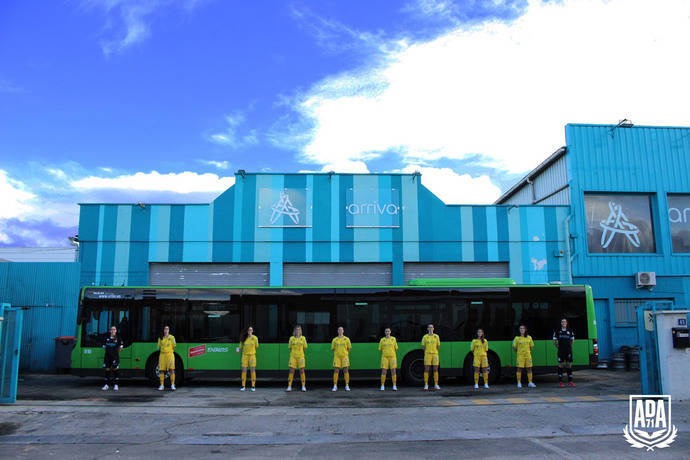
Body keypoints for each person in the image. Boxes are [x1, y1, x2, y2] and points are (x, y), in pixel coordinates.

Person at [553, 318, 575, 387]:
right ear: (561, 323)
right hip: (561, 351)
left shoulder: (570, 331)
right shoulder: (557, 331)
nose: (563, 323)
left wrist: (569, 346)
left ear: (566, 323)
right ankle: (560, 382)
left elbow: (572, 340)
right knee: (561, 365)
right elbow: (554, 341)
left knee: (569, 365)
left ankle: (570, 381)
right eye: (562, 322)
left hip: (568, 351)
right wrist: (558, 347)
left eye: (565, 322)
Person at [102, 326, 123, 391]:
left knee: (115, 369)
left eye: (114, 329)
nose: (113, 331)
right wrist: (109, 352)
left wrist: (115, 353)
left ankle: (116, 385)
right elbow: (104, 347)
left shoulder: (118, 338)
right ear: (110, 331)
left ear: (116, 331)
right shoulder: (106, 338)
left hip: (115, 357)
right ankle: (106, 385)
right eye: (112, 329)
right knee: (107, 369)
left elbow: (121, 348)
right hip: (107, 357)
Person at [287, 325, 307, 392]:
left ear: (300, 331)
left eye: (299, 329)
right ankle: (289, 386)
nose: (297, 331)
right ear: (294, 331)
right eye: (296, 329)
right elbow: (290, 347)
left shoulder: (303, 338)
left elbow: (304, 347)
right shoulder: (291, 338)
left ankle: (303, 386)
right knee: (291, 370)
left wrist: (300, 353)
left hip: (301, 357)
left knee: (302, 370)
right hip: (293, 357)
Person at [331, 326, 352, 392]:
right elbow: (333, 349)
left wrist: (345, 354)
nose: (340, 331)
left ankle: (347, 385)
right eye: (339, 330)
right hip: (337, 357)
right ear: (337, 331)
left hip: (344, 357)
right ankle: (335, 385)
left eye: (341, 330)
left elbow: (349, 348)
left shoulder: (347, 339)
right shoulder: (334, 339)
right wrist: (338, 353)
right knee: (336, 370)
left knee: (345, 370)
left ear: (343, 331)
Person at [421, 324, 441, 391]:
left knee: (435, 369)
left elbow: (438, 346)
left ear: (433, 328)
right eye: (429, 327)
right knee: (427, 369)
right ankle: (426, 384)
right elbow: (423, 346)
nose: (430, 328)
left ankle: (436, 384)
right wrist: (427, 351)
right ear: (427, 329)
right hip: (427, 355)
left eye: (431, 327)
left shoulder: (436, 336)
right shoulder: (425, 337)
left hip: (435, 354)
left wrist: (434, 351)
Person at [238, 326, 259, 391]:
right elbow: (240, 347)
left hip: (252, 356)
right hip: (245, 356)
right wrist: (238, 350)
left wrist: (251, 351)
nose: (250, 331)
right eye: (249, 330)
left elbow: (256, 346)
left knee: (252, 370)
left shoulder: (255, 338)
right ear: (247, 331)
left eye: (251, 330)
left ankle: (253, 386)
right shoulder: (243, 338)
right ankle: (243, 386)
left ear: (252, 331)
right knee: (244, 370)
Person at [157, 325, 176, 391]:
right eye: (165, 329)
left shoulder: (172, 337)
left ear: (169, 330)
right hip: (162, 355)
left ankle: (172, 385)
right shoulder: (160, 338)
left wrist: (169, 350)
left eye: (167, 329)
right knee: (161, 370)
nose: (166, 330)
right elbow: (159, 346)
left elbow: (174, 346)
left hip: (169, 355)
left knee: (171, 369)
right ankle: (162, 385)